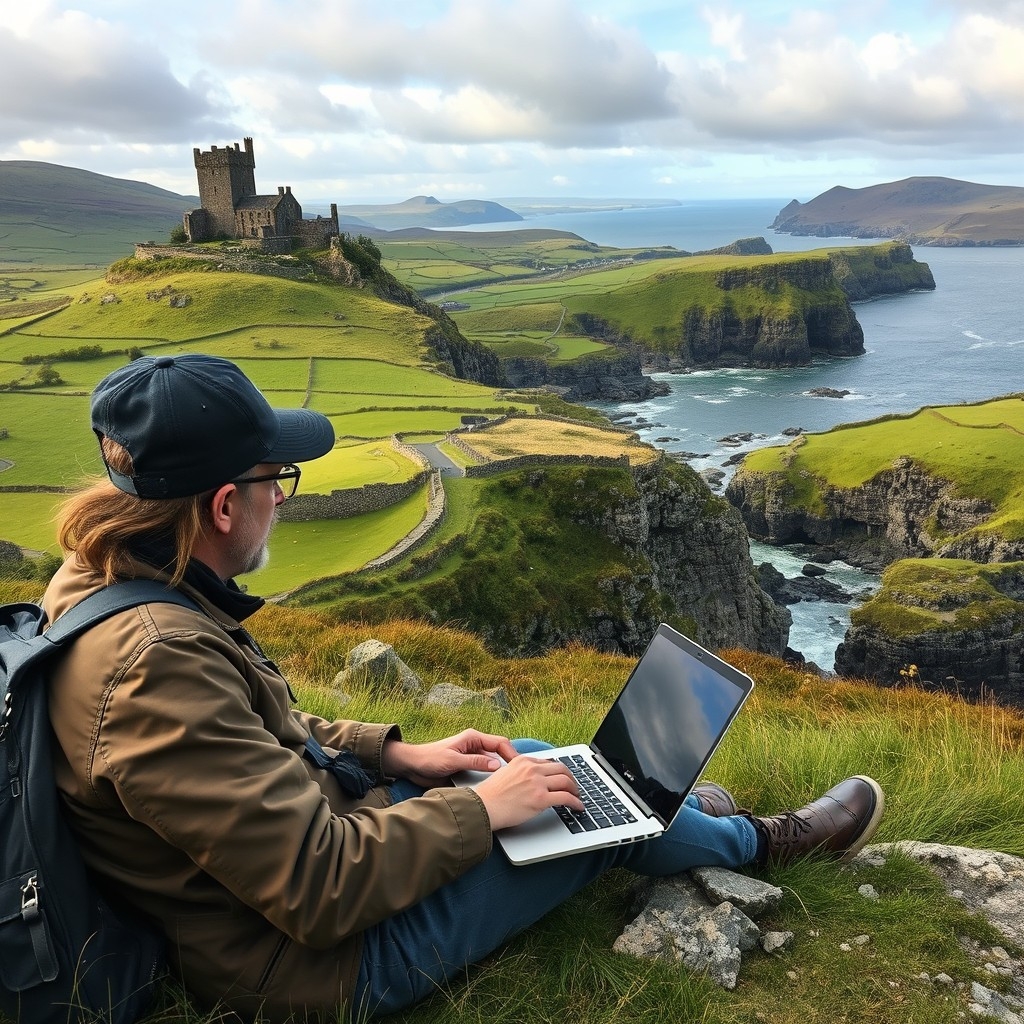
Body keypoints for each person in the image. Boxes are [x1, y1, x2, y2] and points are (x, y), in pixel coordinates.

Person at [44, 354, 886, 1023]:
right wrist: (483, 809)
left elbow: (259, 727)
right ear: (226, 505)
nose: (282, 500)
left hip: (284, 872)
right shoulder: (153, 659)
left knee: (537, 766)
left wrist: (397, 750)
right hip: (317, 968)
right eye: (279, 480)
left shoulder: (112, 580)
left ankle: (676, 812)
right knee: (579, 812)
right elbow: (317, 889)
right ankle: (763, 842)